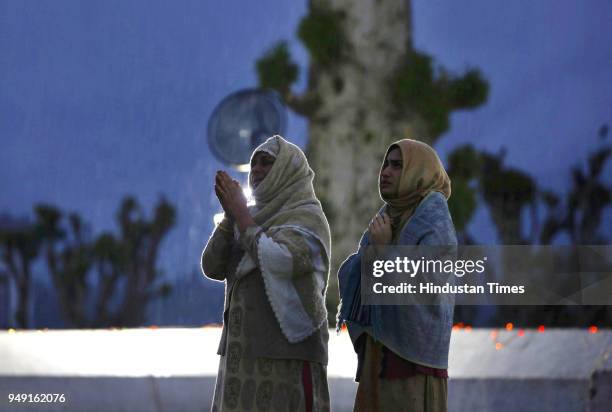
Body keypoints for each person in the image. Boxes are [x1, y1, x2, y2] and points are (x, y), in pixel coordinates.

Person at [201, 135, 331, 412]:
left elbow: (281, 259)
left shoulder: (307, 218)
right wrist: (229, 218)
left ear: (287, 171)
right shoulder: (246, 217)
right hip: (241, 359)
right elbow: (211, 266)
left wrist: (242, 217)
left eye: (267, 163)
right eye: (254, 163)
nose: (257, 170)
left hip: (288, 359)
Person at [337, 139, 457, 412]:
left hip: (413, 364)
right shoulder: (388, 216)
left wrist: (385, 251)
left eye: (397, 165)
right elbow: (356, 277)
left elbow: (430, 287)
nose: (386, 172)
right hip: (378, 356)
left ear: (419, 172)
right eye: (386, 164)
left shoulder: (435, 221)